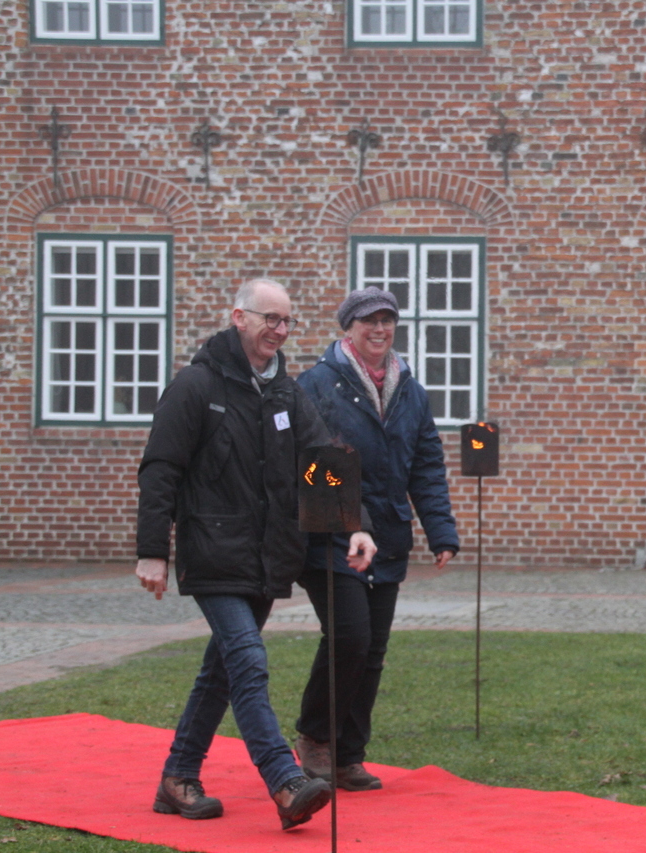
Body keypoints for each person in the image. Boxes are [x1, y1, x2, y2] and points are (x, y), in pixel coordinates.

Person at [135, 278, 377, 830]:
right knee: (246, 660)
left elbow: (322, 460)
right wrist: (153, 551)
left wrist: (355, 527)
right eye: (271, 318)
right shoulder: (196, 386)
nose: (280, 330)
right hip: (213, 552)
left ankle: (177, 776)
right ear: (238, 317)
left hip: (268, 558)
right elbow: (161, 468)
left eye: (287, 320)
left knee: (221, 672)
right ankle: (285, 780)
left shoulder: (285, 392)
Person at [292, 286, 459, 791]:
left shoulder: (410, 390)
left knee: (373, 649)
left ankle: (349, 754)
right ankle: (315, 736)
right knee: (350, 637)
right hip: (330, 535)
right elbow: (313, 466)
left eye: (387, 321)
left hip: (387, 534)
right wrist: (351, 523)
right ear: (349, 328)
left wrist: (441, 530)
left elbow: (426, 464)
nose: (380, 330)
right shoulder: (317, 385)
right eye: (369, 321)